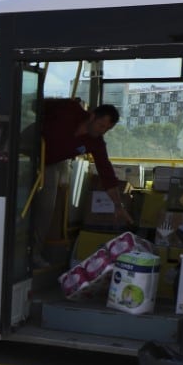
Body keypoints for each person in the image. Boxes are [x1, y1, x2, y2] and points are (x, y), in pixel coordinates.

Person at [34, 100, 130, 262]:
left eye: (107, 129)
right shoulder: (70, 109)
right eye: (101, 125)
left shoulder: (96, 143)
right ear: (92, 116)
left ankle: (34, 254)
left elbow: (106, 173)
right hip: (30, 147)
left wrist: (118, 206)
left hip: (49, 164)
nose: (103, 131)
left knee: (46, 207)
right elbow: (35, 103)